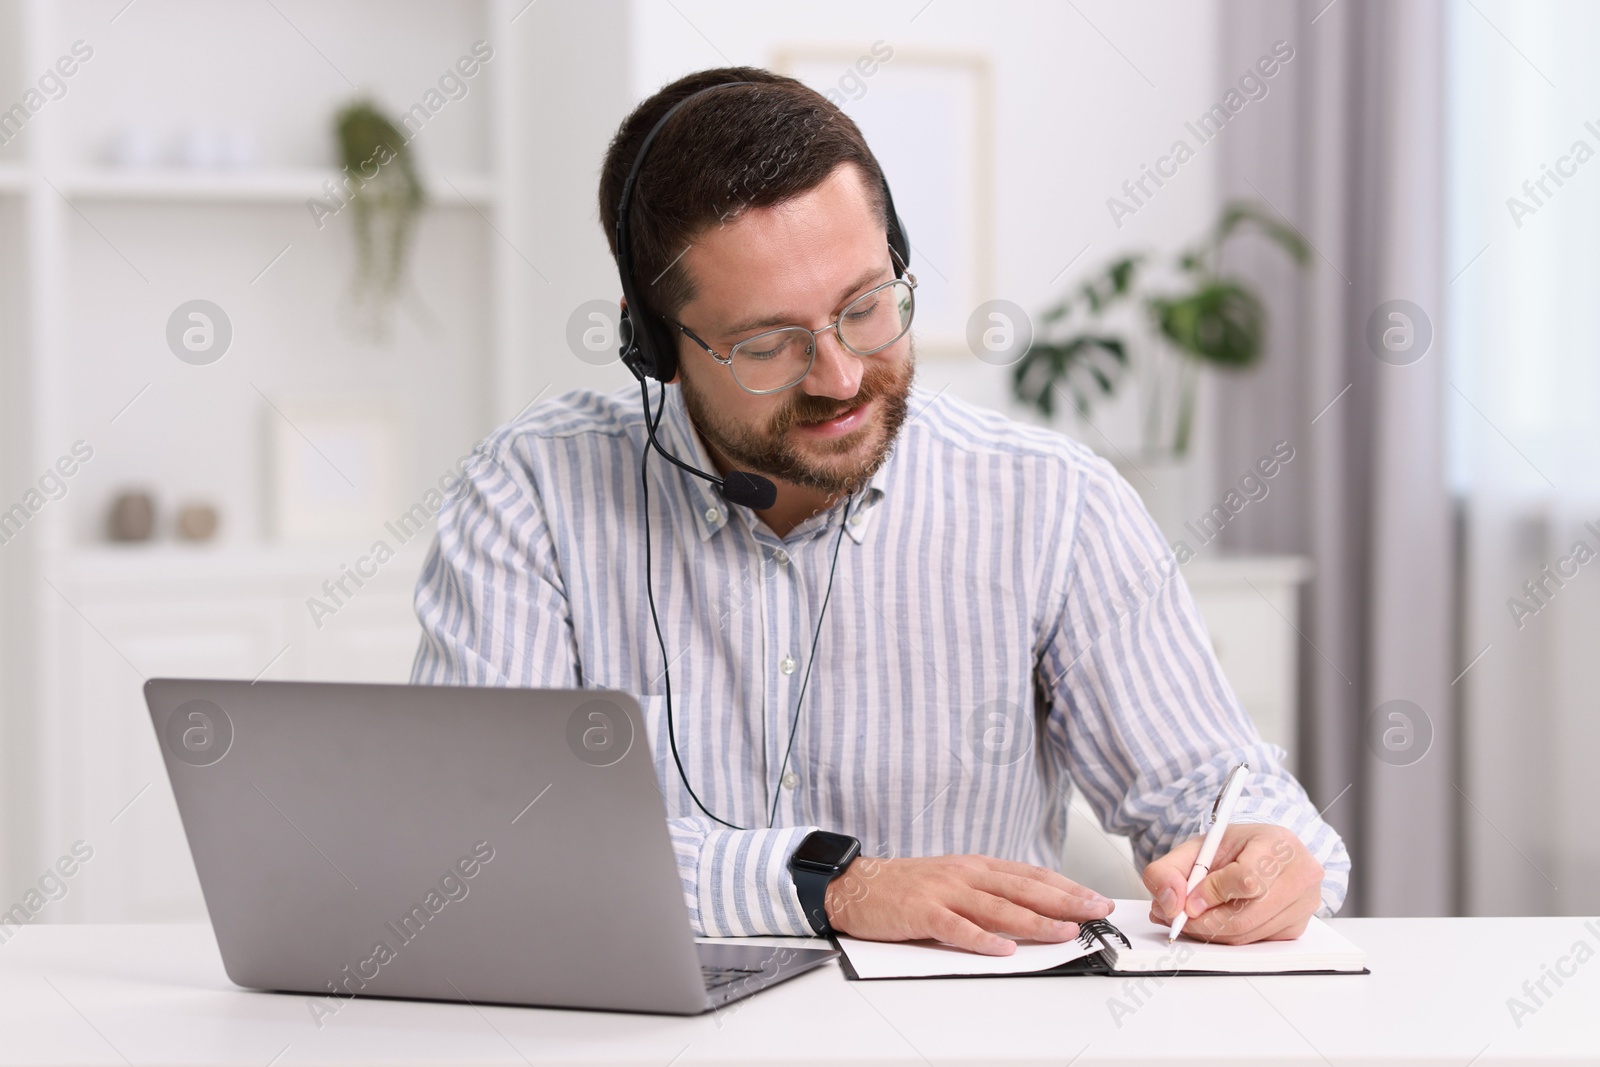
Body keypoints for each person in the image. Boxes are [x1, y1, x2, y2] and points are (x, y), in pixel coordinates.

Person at [411, 66, 1348, 955]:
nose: (843, 376)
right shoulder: (528, 497)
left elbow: (1217, 791)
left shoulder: (1052, 503)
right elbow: (472, 852)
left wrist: (1266, 858)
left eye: (866, 305)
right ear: (656, 345)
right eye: (769, 343)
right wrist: (832, 886)